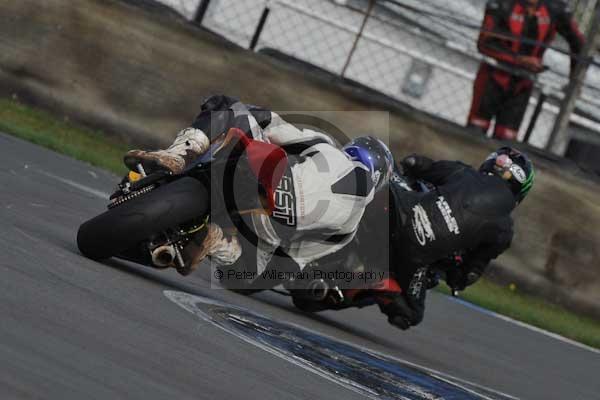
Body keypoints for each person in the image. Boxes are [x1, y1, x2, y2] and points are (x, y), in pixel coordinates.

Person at [124, 95, 394, 281]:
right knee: (247, 272)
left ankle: (179, 154)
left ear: (353, 150)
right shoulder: (348, 230)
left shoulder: (328, 147)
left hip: (269, 180)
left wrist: (256, 113)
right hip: (269, 226)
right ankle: (217, 243)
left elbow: (275, 126)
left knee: (227, 106)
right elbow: (290, 264)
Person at [358, 147, 534, 330]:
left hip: (402, 208)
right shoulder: (504, 229)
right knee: (410, 314)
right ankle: (373, 278)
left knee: (381, 156)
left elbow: (416, 163)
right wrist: (456, 277)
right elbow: (470, 272)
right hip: (417, 256)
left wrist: (410, 169)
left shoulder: (464, 172)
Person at [468, 0, 585, 140]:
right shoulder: (501, 3)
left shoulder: (555, 8)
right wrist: (520, 60)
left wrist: (575, 79)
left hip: (522, 85)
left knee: (506, 142)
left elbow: (579, 43)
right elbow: (484, 43)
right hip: (492, 78)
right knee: (475, 132)